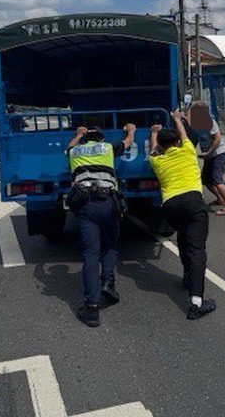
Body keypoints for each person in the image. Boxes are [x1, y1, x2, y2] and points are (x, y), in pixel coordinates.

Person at [66, 123, 136, 327]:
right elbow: (128, 142)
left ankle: (92, 308)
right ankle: (107, 281)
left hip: (85, 204)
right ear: (102, 139)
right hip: (108, 203)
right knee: (111, 245)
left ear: (85, 140)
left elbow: (70, 146)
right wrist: (131, 130)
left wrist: (78, 134)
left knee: (90, 254)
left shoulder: (75, 150)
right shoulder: (107, 148)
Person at [149, 111, 217, 320]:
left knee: (182, 237)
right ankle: (196, 303)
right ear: (178, 142)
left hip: (170, 207)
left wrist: (154, 132)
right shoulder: (187, 151)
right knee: (197, 250)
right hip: (194, 204)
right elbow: (184, 136)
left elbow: (153, 149)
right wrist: (177, 119)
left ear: (161, 146)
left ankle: (188, 276)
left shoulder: (157, 161)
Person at [198, 117, 225, 215]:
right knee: (205, 180)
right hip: (208, 156)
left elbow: (217, 139)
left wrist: (208, 152)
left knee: (216, 179)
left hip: (219, 154)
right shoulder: (196, 125)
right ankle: (220, 199)